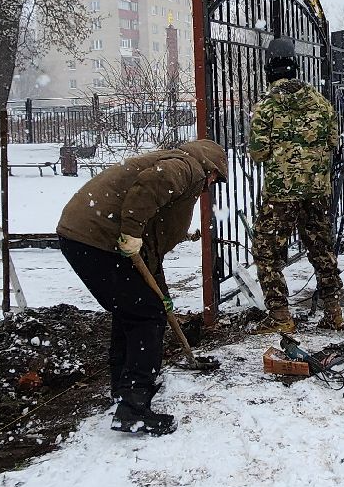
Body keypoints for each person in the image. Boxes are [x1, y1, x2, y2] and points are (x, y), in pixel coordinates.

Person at [56, 138, 228, 435]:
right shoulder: (187, 168)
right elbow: (149, 186)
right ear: (210, 167)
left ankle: (124, 390)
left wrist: (161, 295)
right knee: (145, 317)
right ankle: (133, 408)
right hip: (98, 240)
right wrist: (130, 233)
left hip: (86, 237)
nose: (210, 185)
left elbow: (150, 250)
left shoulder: (179, 165)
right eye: (215, 178)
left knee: (135, 311)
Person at [248, 37, 344, 334]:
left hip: (281, 194)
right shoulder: (322, 103)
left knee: (267, 251)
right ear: (295, 66)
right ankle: (333, 311)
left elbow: (258, 153)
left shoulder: (265, 107)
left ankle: (280, 315)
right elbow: (333, 143)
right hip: (317, 190)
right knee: (321, 248)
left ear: (269, 68)